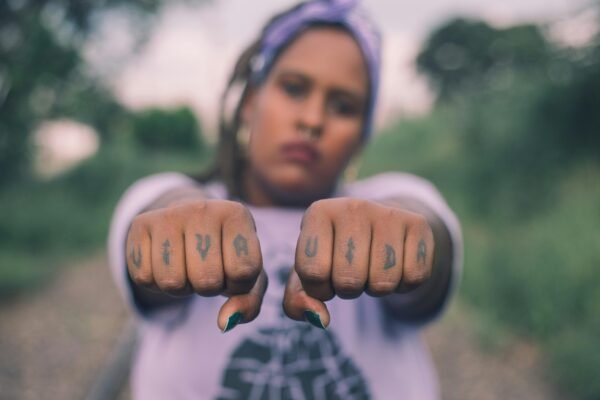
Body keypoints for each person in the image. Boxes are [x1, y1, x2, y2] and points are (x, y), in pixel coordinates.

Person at [108, 1, 462, 399]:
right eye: (294, 88)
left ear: (361, 136)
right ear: (248, 103)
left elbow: (429, 233)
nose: (312, 120)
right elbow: (160, 208)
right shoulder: (173, 195)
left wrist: (407, 240)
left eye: (343, 106)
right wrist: (182, 222)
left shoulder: (385, 201)